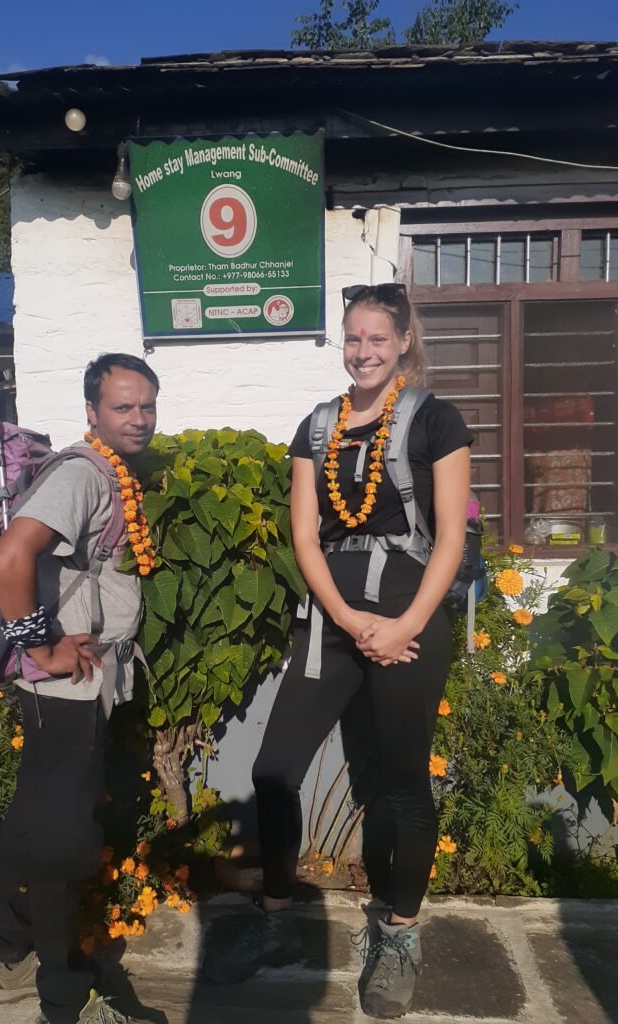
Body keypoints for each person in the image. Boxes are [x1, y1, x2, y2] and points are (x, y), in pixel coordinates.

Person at [204, 284, 472, 1018]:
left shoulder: (435, 420)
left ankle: (400, 931)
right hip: (332, 624)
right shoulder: (317, 426)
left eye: (377, 338)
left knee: (400, 783)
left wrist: (404, 622)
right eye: (353, 339)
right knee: (274, 771)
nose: (363, 351)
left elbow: (450, 536)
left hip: (409, 624)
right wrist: (351, 618)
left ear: (404, 341)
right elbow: (304, 535)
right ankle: (277, 908)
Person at [0, 353, 160, 1024]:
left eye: (146, 406)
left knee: (34, 821)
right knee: (62, 842)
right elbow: (11, 555)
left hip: (73, 684)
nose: (138, 419)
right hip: (70, 684)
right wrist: (40, 646)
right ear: (93, 412)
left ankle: (12, 957)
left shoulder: (108, 474)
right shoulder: (85, 474)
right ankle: (64, 998)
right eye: (123, 407)